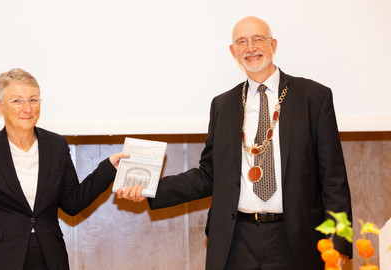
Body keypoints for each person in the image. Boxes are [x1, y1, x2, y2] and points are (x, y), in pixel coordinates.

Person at [118, 16, 352, 270]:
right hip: (235, 240)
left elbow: (333, 178)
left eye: (257, 39)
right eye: (242, 42)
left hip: (296, 238)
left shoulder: (313, 97)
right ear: (233, 52)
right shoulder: (223, 104)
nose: (250, 48)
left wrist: (341, 240)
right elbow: (208, 175)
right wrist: (149, 187)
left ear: (273, 44)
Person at [0, 68, 128, 270]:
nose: (27, 108)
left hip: (48, 257)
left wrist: (108, 169)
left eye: (33, 100)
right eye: (17, 101)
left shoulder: (56, 145)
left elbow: (71, 203)